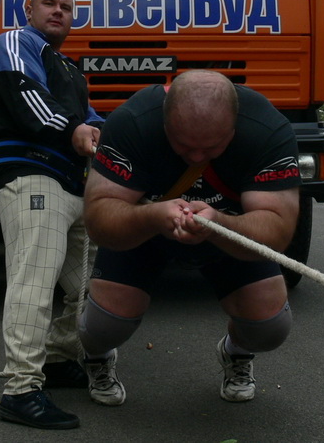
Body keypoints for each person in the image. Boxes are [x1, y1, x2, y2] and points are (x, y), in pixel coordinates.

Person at [78, 70, 300, 409]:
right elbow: (98, 219)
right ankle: (96, 356)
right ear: (165, 124)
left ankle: (236, 352)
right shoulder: (132, 121)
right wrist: (153, 216)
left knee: (270, 327)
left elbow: (279, 230)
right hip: (145, 227)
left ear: (234, 128)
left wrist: (218, 224)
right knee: (105, 325)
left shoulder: (268, 129)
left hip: (230, 229)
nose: (196, 157)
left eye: (211, 147)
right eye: (183, 145)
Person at [0, 0, 104, 430]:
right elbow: (27, 97)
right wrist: (75, 130)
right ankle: (20, 390)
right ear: (28, 9)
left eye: (66, 7)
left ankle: (56, 358)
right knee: (33, 280)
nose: (58, 11)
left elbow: (92, 121)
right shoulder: (15, 42)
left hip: (71, 184)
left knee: (89, 284)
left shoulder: (69, 68)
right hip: (31, 172)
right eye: (49, 4)